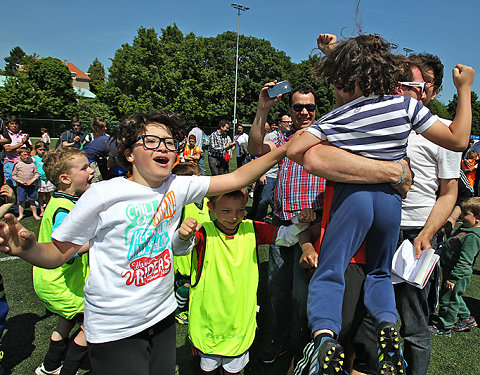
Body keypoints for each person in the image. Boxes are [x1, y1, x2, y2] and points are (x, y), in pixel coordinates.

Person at [0, 109, 291, 375]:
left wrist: (287, 149)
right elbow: (58, 254)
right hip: (116, 327)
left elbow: (239, 176)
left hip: (162, 317)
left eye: (170, 142)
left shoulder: (179, 185)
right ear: (129, 153)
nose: (164, 147)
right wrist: (29, 250)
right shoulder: (102, 195)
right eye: (151, 141)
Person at [287, 34, 473, 375]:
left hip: (353, 200)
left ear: (346, 80)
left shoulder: (340, 115)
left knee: (330, 272)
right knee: (379, 274)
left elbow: (296, 151)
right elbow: (459, 139)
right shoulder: (406, 107)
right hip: (390, 202)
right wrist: (464, 89)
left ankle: (325, 335)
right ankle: (388, 324)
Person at [173, 189, 313, 375]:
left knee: (234, 369)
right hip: (208, 319)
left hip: (239, 320)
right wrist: (182, 235)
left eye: (240, 210)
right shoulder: (203, 232)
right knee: (209, 369)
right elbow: (178, 249)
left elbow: (286, 237)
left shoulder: (252, 228)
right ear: (210, 207)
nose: (234, 217)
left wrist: (300, 221)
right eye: (226, 211)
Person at [248, 85, 326, 366]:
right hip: (282, 225)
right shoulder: (283, 139)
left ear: (316, 109)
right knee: (278, 289)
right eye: (298, 107)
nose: (304, 112)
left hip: (314, 228)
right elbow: (255, 148)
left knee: (303, 294)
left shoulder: (326, 138)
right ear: (290, 111)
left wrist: (317, 215)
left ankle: (306, 345)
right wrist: (263, 108)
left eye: (310, 107)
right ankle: (281, 340)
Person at [33, 148, 93, 375]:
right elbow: (68, 251)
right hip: (61, 285)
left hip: (52, 282)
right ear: (65, 179)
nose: (91, 170)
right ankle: (67, 371)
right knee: (92, 326)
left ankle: (49, 367)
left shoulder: (61, 201)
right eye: (84, 168)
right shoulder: (63, 210)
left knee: (64, 324)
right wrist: (98, 240)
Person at [429, 198, 480, 336]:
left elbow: (465, 261)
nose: (461, 217)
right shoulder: (466, 229)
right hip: (450, 271)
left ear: (477, 219)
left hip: (456, 274)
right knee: (454, 296)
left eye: (466, 214)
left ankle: (445, 327)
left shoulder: (472, 237)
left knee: (448, 299)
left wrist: (453, 278)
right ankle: (466, 318)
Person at [171, 162, 210, 325]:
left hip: (200, 251)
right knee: (186, 283)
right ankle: (179, 310)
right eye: (196, 180)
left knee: (198, 281)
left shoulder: (204, 200)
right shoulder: (181, 205)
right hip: (184, 257)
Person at [1, 115, 32, 188]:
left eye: (16, 123)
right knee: (10, 183)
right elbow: (7, 148)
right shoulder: (5, 136)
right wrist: (21, 143)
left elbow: (30, 150)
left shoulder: (23, 135)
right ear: (8, 124)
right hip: (10, 161)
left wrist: (26, 142)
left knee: (24, 183)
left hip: (23, 162)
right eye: (11, 123)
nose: (14, 126)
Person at [12, 147, 40, 220]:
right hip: (22, 186)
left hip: (31, 186)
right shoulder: (18, 165)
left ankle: (35, 214)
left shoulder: (32, 164)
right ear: (19, 155)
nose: (26, 156)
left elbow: (36, 174)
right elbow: (14, 175)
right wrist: (20, 181)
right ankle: (21, 215)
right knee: (21, 201)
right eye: (24, 155)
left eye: (28, 155)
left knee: (32, 200)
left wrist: (32, 181)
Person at [33, 141, 55, 216]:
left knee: (48, 194)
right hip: (40, 180)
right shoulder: (34, 159)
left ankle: (48, 208)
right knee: (41, 195)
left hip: (47, 179)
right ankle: (41, 209)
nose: (42, 151)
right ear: (36, 149)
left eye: (43, 149)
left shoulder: (47, 158)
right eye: (40, 149)